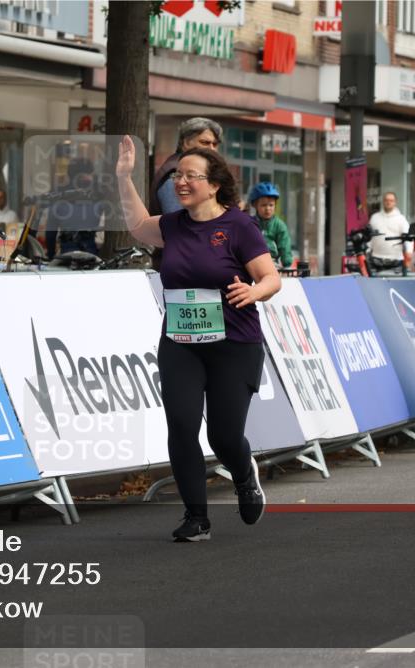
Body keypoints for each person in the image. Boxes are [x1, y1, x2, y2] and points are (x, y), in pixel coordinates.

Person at [115, 135, 282, 542]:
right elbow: (138, 226)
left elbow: (270, 278)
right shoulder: (173, 226)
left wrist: (254, 292)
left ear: (214, 184)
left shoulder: (238, 226)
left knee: (223, 436)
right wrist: (124, 177)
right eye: (177, 176)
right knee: (182, 426)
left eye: (191, 176)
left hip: (233, 344)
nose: (180, 182)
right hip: (181, 343)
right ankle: (196, 518)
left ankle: (244, 473)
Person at [149, 117, 223, 216]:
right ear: (186, 143)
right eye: (205, 143)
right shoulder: (174, 174)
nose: (212, 149)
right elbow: (177, 222)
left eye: (215, 144)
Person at [248, 182, 293, 268]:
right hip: (252, 264)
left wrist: (287, 265)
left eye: (271, 205)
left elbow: (285, 247)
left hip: (272, 265)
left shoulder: (279, 225)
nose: (268, 208)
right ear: (255, 205)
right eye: (263, 205)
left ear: (275, 205)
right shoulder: (250, 223)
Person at [368, 191, 413, 269]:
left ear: (395, 202)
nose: (388, 202)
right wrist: (367, 251)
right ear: (383, 202)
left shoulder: (401, 219)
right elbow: (369, 237)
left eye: (391, 200)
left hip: (396, 260)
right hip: (376, 259)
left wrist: (409, 252)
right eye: (386, 200)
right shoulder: (374, 218)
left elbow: (408, 237)